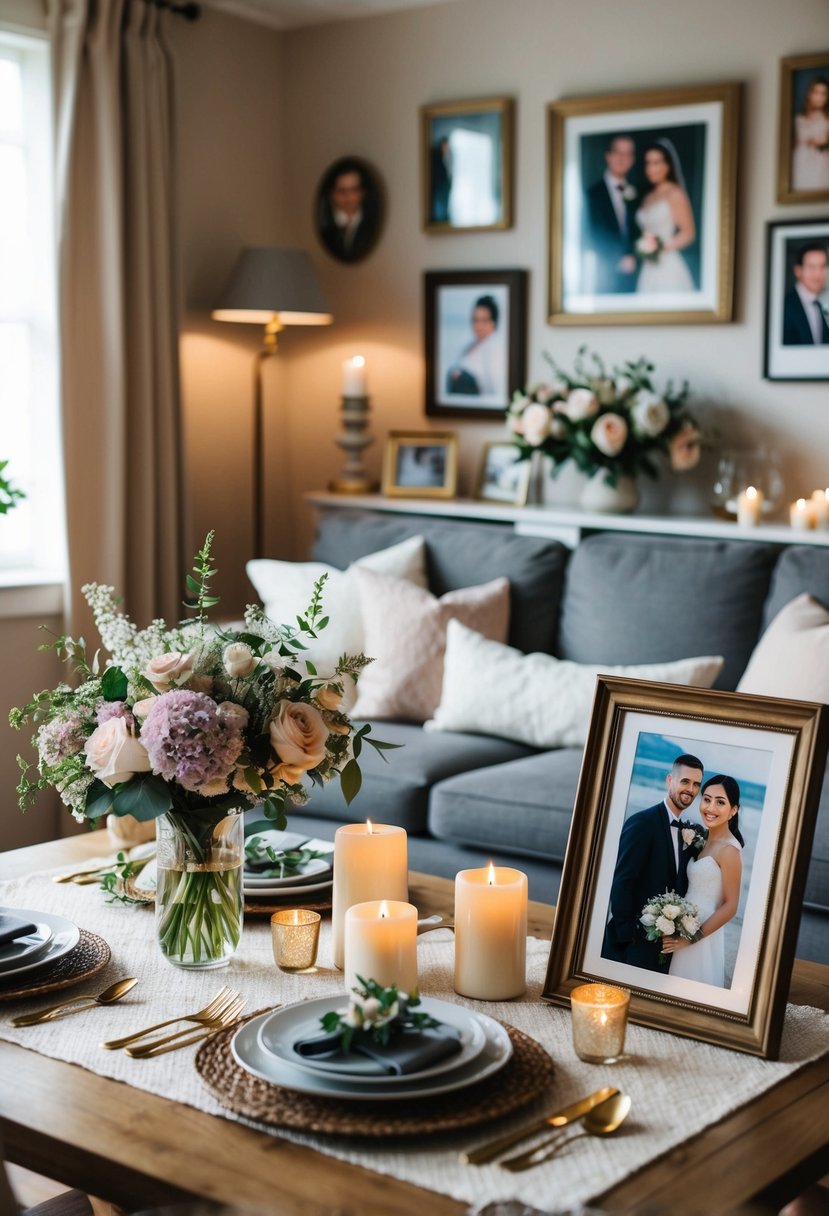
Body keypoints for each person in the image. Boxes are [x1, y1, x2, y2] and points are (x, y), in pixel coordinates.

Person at [602, 753, 704, 973]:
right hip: (633, 945)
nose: (691, 789)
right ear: (670, 780)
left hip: (665, 948)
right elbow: (622, 881)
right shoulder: (642, 823)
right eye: (685, 781)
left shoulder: (690, 832)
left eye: (696, 784)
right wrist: (630, 933)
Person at [662, 774, 744, 987]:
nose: (710, 808)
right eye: (706, 799)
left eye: (720, 802)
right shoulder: (703, 840)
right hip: (684, 923)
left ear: (733, 810)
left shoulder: (730, 851)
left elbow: (731, 906)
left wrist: (691, 938)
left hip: (702, 932)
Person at [635, 140, 696, 293]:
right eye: (648, 163)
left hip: (668, 265)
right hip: (648, 266)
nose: (651, 168)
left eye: (656, 162)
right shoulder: (647, 197)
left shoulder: (675, 193)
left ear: (668, 165)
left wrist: (660, 247)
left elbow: (688, 233)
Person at [585, 134, 639, 294]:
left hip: (636, 278)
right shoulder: (591, 194)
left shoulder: (637, 193)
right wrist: (617, 259)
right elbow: (590, 235)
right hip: (603, 277)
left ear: (632, 159)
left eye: (628, 154)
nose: (622, 158)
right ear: (608, 155)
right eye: (618, 152)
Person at [316, 158, 380, 263]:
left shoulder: (370, 226)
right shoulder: (327, 230)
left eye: (354, 190)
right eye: (342, 191)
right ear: (333, 194)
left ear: (362, 193)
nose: (348, 197)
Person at [445, 295, 506, 398]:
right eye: (475, 320)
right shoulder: (469, 346)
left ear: (494, 322)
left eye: (484, 320)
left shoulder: (495, 348)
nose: (478, 326)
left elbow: (495, 388)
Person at [783, 243, 829, 345]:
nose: (818, 274)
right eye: (812, 267)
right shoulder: (784, 306)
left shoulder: (822, 304)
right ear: (798, 270)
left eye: (822, 266)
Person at [791, 76, 829, 193]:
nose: (819, 97)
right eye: (816, 92)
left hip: (820, 164)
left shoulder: (827, 119)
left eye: (823, 94)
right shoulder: (798, 118)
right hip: (799, 162)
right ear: (810, 94)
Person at [430, 136, 452, 223]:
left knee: (444, 208)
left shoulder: (446, 158)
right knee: (440, 209)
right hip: (440, 188)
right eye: (445, 145)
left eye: (447, 146)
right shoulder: (437, 159)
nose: (446, 148)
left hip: (445, 188)